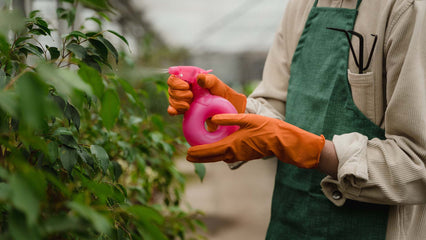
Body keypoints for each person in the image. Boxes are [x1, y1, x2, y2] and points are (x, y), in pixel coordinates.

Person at [167, 0, 426, 239]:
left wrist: (313, 150)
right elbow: (276, 101)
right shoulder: (301, 5)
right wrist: (235, 110)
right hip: (290, 221)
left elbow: (417, 162)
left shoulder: (407, 9)